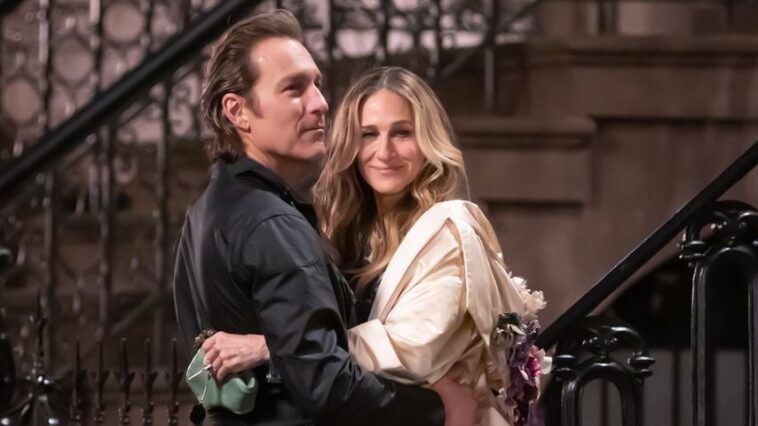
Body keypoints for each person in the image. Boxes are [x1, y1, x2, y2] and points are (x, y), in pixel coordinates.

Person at [172, 10, 477, 426]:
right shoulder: (272, 225)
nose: (320, 103)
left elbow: (303, 356)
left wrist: (266, 347)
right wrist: (439, 410)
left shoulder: (206, 212)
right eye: (294, 88)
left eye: (316, 84)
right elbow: (328, 384)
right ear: (237, 111)